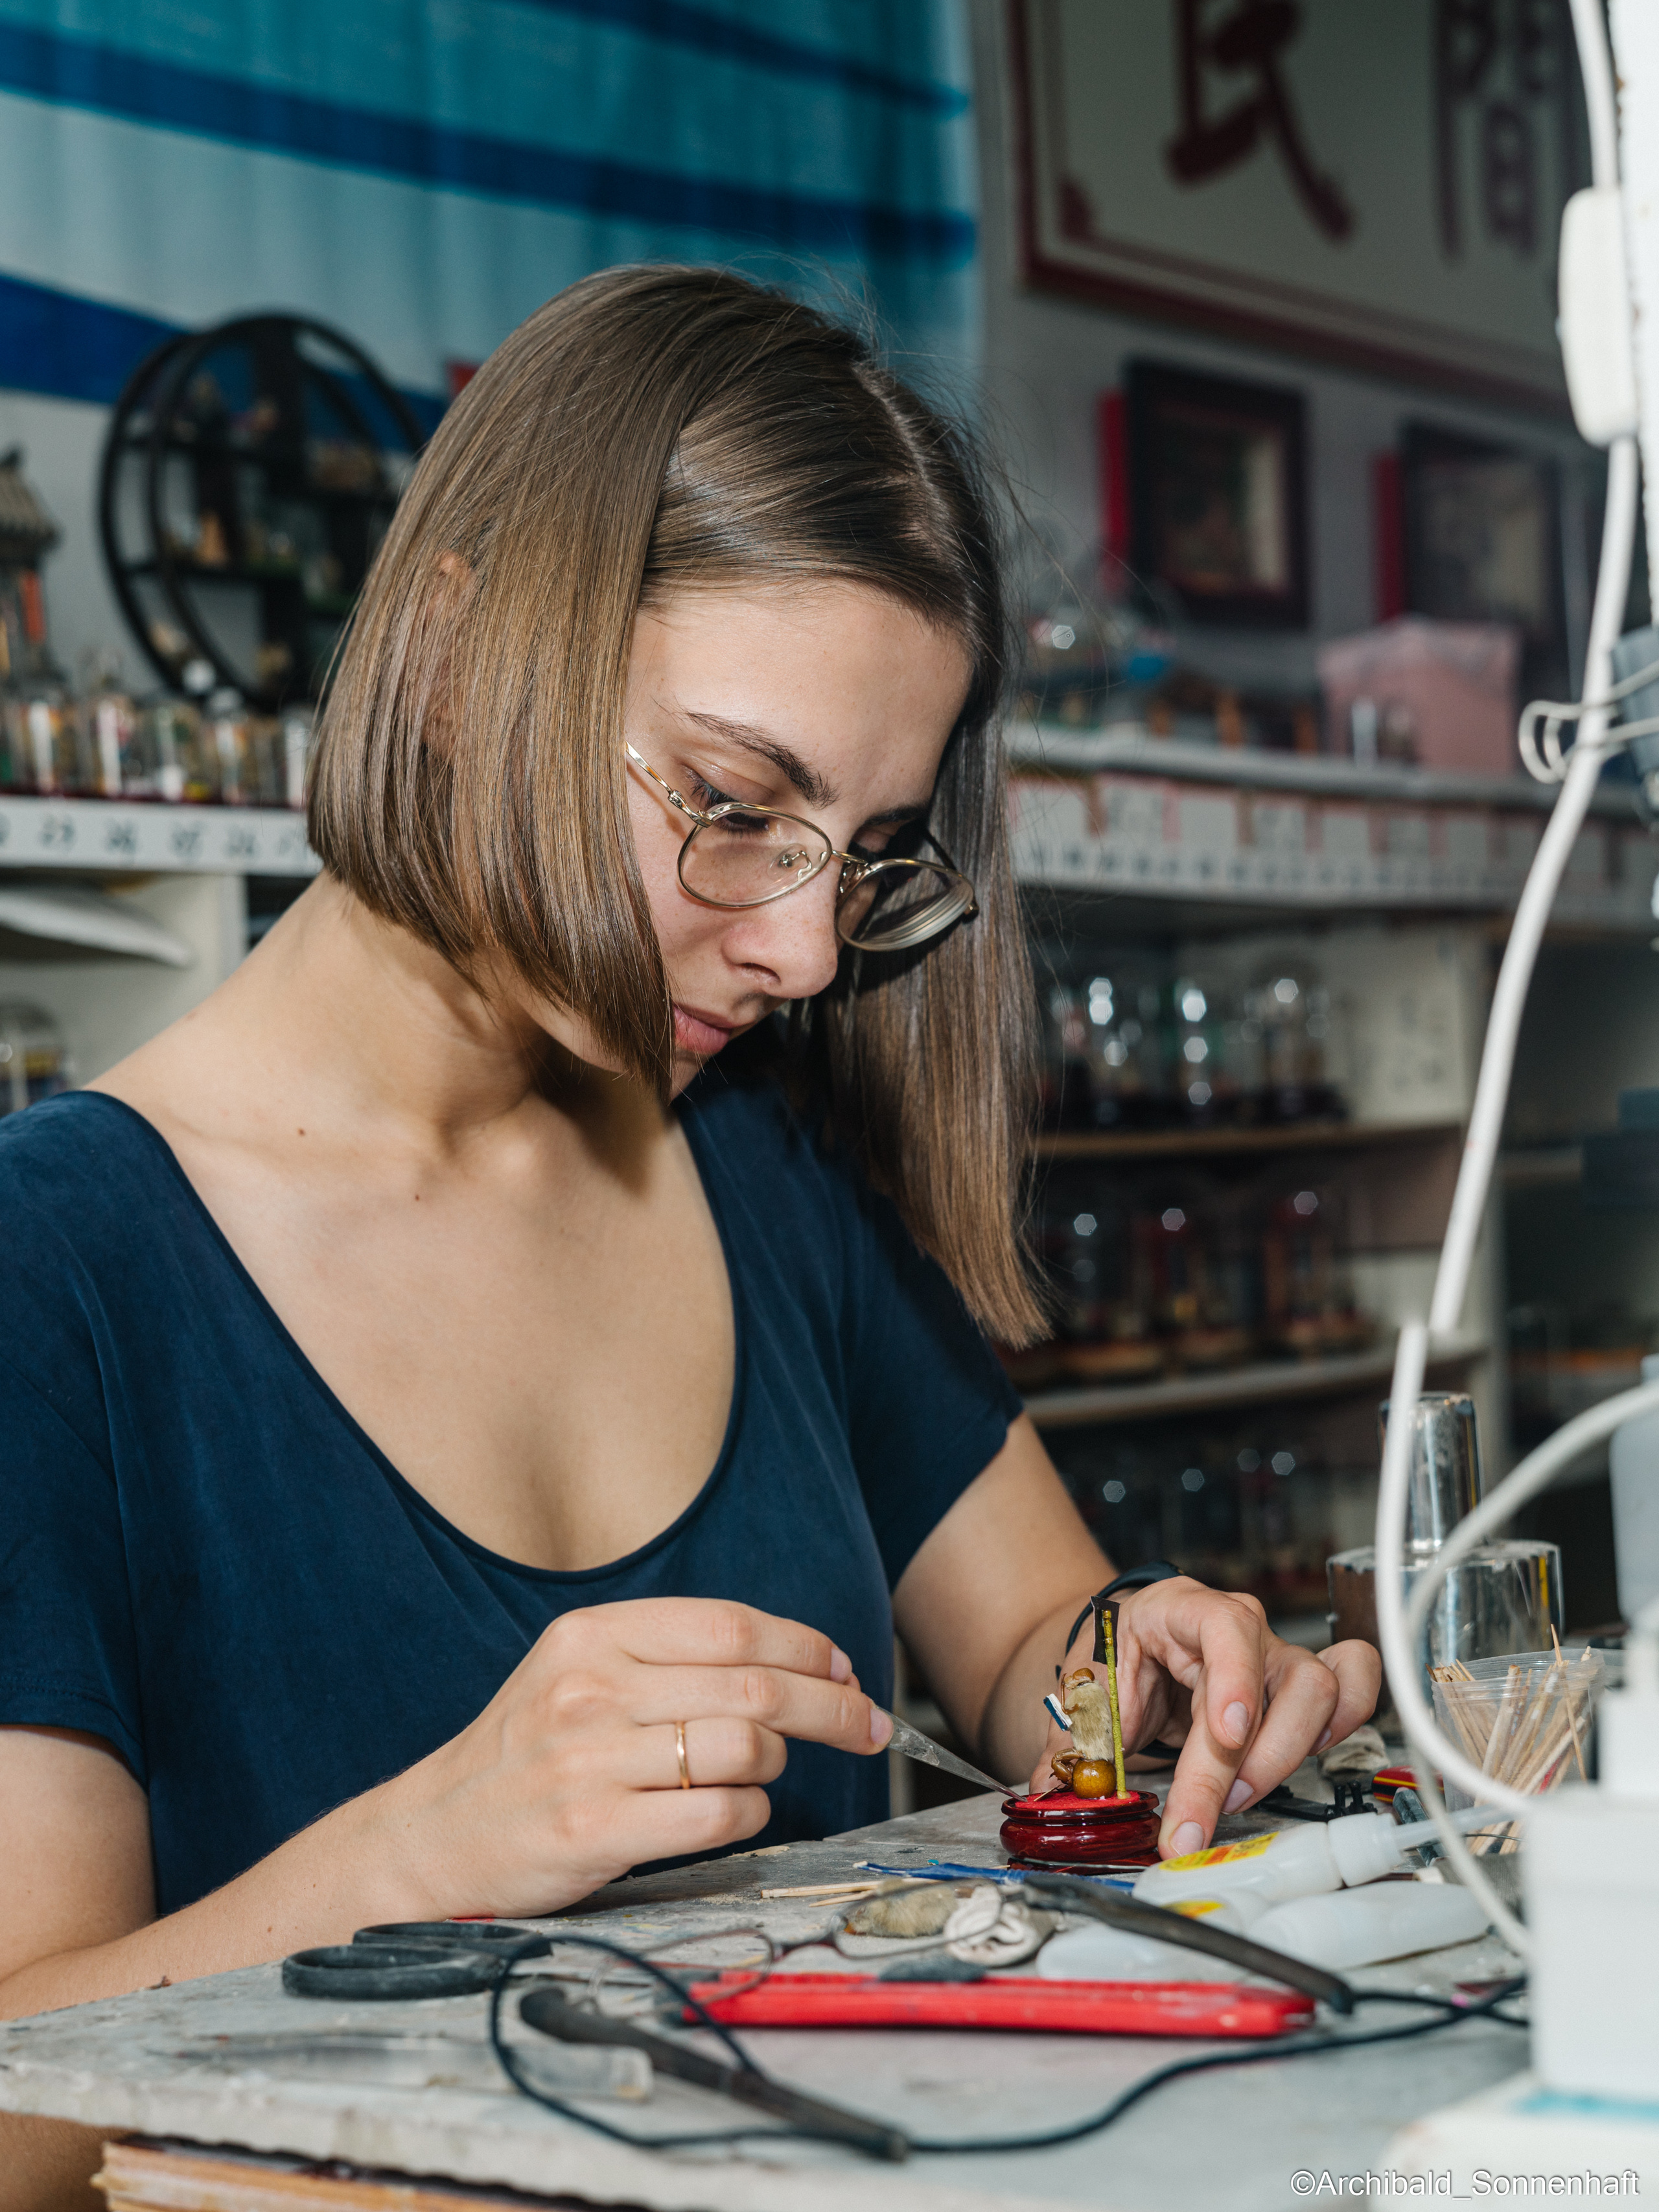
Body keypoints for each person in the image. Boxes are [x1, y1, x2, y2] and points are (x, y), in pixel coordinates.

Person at [0, 267, 1379, 2206]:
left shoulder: (761, 1161)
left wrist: (1152, 1686)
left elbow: (1028, 1654)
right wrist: (432, 1847)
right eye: (735, 805)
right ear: (463, 659)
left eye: (869, 855)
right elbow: (18, 2123)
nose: (806, 952)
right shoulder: (55, 1273)